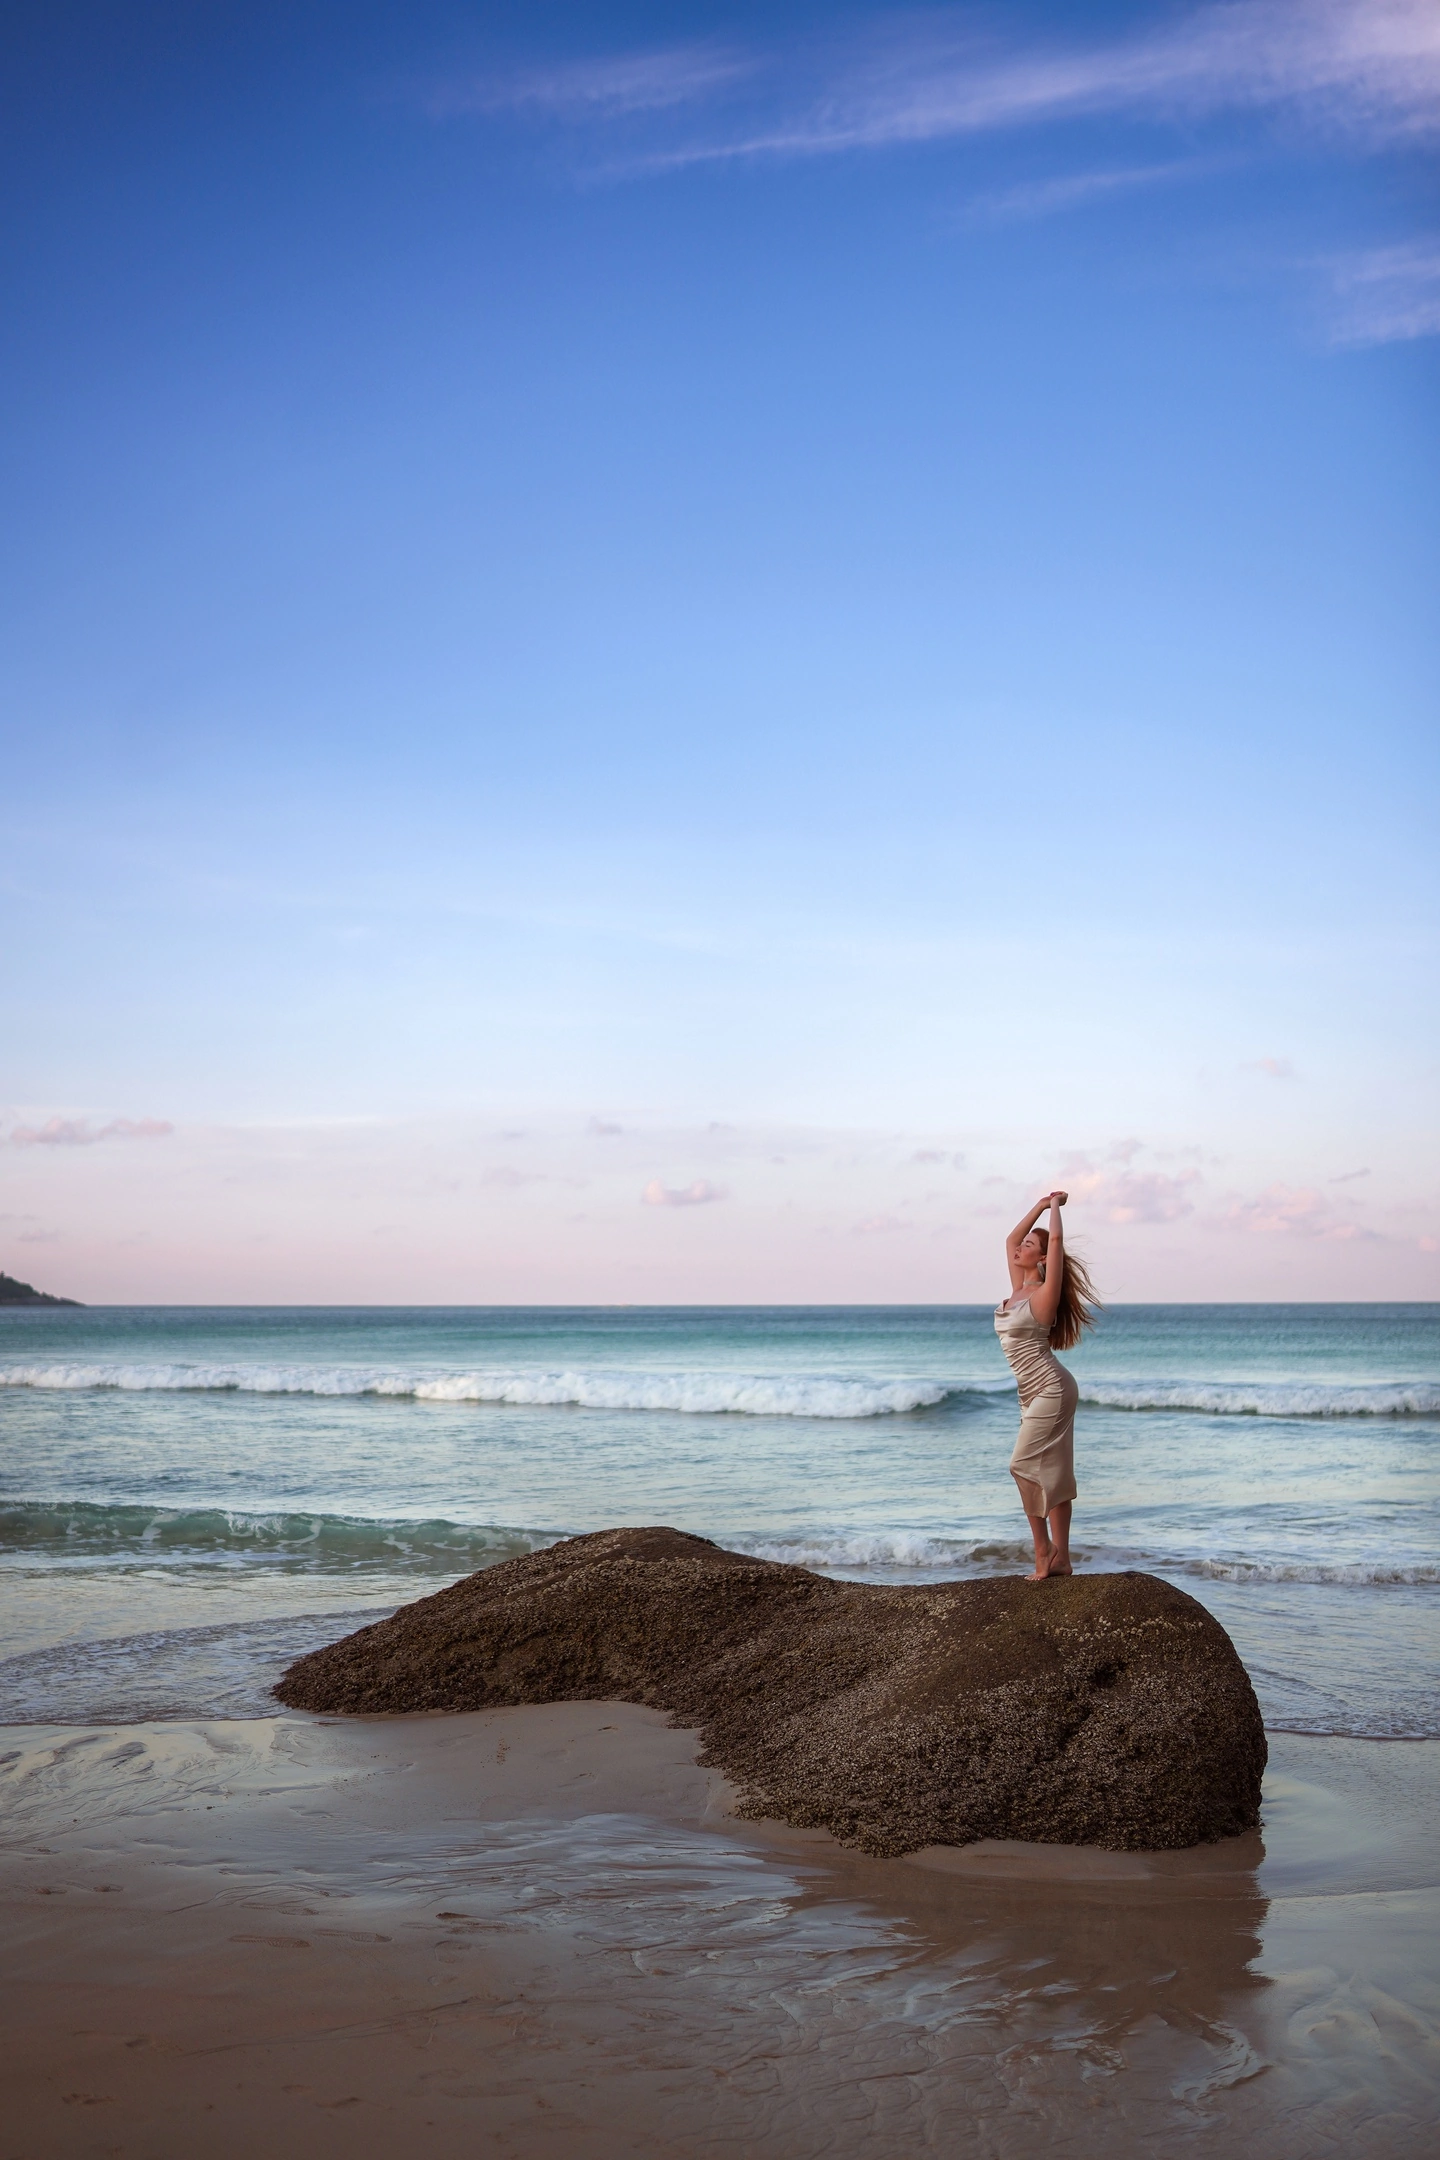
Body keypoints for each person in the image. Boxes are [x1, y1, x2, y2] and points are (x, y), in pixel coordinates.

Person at [995, 1191, 1100, 1581]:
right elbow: (1009, 1240)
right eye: (1023, 1244)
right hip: (1030, 1394)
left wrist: (1055, 1210)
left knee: (1021, 1465)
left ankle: (1044, 1551)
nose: (1019, 1247)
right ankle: (1063, 1560)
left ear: (1041, 1258)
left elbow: (1054, 1242)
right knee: (1053, 1472)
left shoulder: (1042, 1295)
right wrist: (1039, 1205)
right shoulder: (1018, 1289)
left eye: (1029, 1245)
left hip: (1053, 1389)